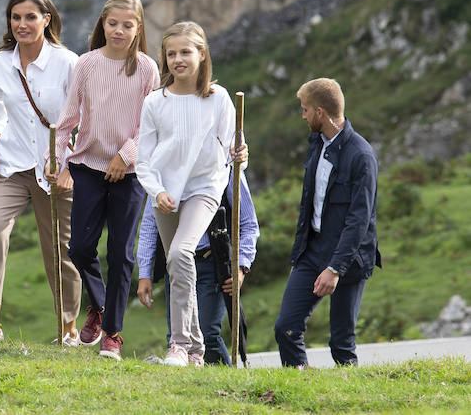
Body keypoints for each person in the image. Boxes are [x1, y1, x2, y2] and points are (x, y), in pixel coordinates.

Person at [45, 0, 160, 361]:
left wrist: (125, 155)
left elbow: (153, 127)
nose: (119, 31)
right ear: (103, 24)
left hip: (130, 173)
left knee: (121, 254)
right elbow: (67, 121)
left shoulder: (147, 69)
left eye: (128, 25)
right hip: (88, 167)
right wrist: (57, 160)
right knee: (78, 247)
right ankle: (98, 305)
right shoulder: (87, 64)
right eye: (113, 23)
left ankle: (112, 333)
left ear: (138, 28)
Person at [0, 0, 82, 344]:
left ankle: (68, 330)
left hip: (55, 167)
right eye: (16, 17)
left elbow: (82, 119)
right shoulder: (2, 61)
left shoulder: (68, 63)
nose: (22, 24)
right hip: (12, 163)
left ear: (47, 20)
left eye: (30, 17)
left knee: (60, 250)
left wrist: (69, 168)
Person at [135, 21, 247, 367]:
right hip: (165, 196)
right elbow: (143, 159)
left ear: (202, 54)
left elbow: (233, 146)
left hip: (203, 190)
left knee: (182, 252)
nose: (178, 59)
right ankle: (197, 352)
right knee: (177, 266)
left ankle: (179, 345)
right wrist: (157, 192)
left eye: (186, 52)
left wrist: (241, 153)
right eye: (171, 54)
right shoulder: (155, 101)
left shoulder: (219, 99)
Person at [274, 78, 380, 368]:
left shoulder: (362, 156)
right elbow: (309, 206)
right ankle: (299, 388)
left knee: (342, 345)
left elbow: (360, 221)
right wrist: (300, 254)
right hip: (313, 251)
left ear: (320, 112)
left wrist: (334, 269)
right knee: (286, 328)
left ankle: (348, 402)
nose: (303, 115)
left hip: (350, 258)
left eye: (305, 109)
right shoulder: (317, 145)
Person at [136, 170, 259, 366]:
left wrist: (242, 266)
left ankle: (226, 385)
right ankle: (189, 388)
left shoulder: (225, 169)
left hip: (212, 264)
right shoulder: (165, 169)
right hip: (176, 265)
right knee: (177, 339)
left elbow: (249, 223)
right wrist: (144, 273)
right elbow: (150, 223)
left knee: (208, 334)